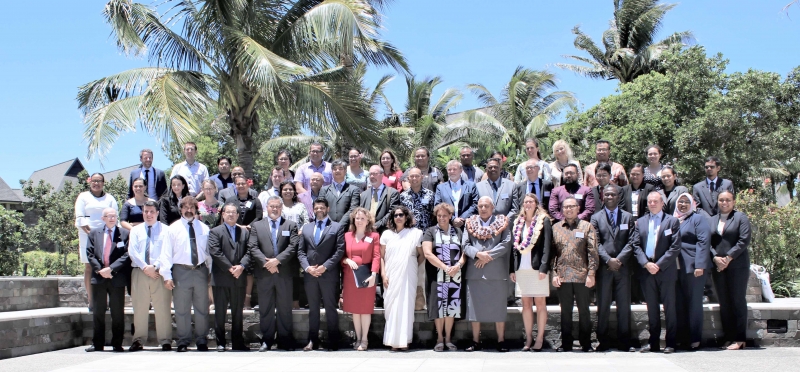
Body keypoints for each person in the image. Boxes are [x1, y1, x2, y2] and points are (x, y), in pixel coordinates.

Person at [159, 196, 212, 352]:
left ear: (196, 209)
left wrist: (210, 271)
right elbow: (166, 253)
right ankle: (183, 341)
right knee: (182, 309)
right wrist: (167, 276)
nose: (189, 210)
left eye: (192, 207)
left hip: (201, 270)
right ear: (180, 209)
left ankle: (202, 340)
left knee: (202, 308)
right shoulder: (172, 229)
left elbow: (208, 253)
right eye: (185, 207)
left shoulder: (204, 228)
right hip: (181, 271)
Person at [631, 192, 681, 354]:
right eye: (650, 202)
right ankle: (654, 343)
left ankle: (671, 342)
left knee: (669, 308)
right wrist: (646, 264)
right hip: (647, 271)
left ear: (662, 203)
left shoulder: (672, 221)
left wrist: (658, 265)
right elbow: (635, 245)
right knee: (652, 308)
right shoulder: (640, 222)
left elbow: (675, 247)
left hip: (665, 270)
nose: (652, 204)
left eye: (655, 201)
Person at [248, 196, 300, 352]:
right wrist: (267, 263)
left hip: (284, 273)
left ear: (281, 208)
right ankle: (267, 340)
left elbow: (293, 246)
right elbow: (253, 247)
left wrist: (277, 261)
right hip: (264, 273)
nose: (274, 209)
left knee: (285, 307)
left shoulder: (290, 225)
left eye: (277, 206)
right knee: (266, 308)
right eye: (271, 206)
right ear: (267, 207)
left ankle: (285, 340)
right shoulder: (257, 226)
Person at [463, 197, 512, 352]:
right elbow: (464, 244)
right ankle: (476, 341)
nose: (483, 208)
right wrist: (478, 254)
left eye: (486, 206)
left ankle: (501, 341)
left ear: (493, 207)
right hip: (475, 272)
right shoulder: (470, 222)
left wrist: (486, 256)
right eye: (480, 206)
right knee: (474, 308)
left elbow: (505, 243)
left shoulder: (502, 222)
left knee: (498, 307)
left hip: (496, 272)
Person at [591, 185, 635, 352]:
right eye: (607, 194)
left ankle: (624, 342)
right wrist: (609, 260)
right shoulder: (596, 218)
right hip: (604, 268)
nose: (609, 197)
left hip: (623, 269)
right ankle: (602, 341)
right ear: (603, 197)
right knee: (603, 305)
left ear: (618, 197)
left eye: (613, 194)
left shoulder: (628, 217)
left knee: (624, 306)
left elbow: (632, 242)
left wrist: (619, 260)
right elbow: (596, 242)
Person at [297, 199, 345, 351]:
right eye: (316, 207)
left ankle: (333, 340)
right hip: (310, 275)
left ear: (327, 208)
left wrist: (325, 267)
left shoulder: (336, 227)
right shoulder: (306, 228)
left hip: (328, 275)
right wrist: (307, 267)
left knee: (331, 308)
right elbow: (300, 251)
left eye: (322, 207)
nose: (319, 210)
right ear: (313, 209)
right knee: (313, 308)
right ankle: (312, 340)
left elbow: (339, 251)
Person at [551, 197, 598, 352]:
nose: (569, 209)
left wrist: (591, 273)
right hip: (563, 276)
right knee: (565, 311)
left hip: (582, 276)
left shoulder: (587, 226)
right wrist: (554, 274)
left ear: (578, 208)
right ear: (562, 210)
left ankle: (586, 343)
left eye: (572, 206)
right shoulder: (556, 228)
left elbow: (592, 251)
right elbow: (553, 254)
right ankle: (566, 344)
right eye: (566, 207)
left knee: (584, 310)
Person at [128, 201, 172, 352]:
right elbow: (132, 251)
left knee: (163, 307)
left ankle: (165, 340)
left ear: (157, 212)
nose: (148, 214)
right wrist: (145, 267)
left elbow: (167, 251)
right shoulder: (136, 231)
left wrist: (156, 266)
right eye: (146, 211)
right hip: (140, 272)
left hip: (159, 272)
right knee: (139, 307)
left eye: (152, 211)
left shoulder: (166, 230)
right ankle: (138, 340)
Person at [509, 193, 551, 352]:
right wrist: (512, 269)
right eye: (525, 202)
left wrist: (544, 268)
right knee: (526, 304)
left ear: (536, 204)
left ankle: (540, 337)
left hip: (537, 269)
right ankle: (528, 337)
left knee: (540, 304)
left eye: (531, 202)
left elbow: (547, 246)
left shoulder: (543, 221)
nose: (528, 204)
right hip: (522, 269)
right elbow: (514, 248)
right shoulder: (517, 222)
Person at [710, 191, 751, 350]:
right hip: (718, 266)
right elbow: (708, 242)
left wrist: (727, 259)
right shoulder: (713, 220)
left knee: (737, 300)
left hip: (737, 265)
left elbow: (743, 240)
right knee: (724, 302)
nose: (724, 203)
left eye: (728, 200)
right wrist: (715, 258)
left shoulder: (741, 218)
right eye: (721, 200)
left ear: (733, 202)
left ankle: (740, 338)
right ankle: (729, 337)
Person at [84, 208, 130, 352]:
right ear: (103, 218)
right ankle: (97, 344)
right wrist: (100, 270)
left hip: (116, 278)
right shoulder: (93, 233)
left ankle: (117, 343)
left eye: (114, 216)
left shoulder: (124, 233)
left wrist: (111, 269)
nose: (112, 218)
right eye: (109, 216)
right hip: (99, 278)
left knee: (117, 312)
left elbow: (127, 254)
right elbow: (90, 253)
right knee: (98, 311)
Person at [207, 203, 251, 352]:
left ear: (238, 215)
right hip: (221, 278)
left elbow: (250, 251)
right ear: (223, 214)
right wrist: (230, 268)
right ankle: (221, 342)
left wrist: (241, 266)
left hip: (239, 277)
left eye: (234, 212)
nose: (231, 215)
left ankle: (237, 342)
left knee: (238, 312)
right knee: (220, 312)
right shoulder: (215, 232)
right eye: (228, 212)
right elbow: (215, 251)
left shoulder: (244, 232)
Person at [422, 203, 466, 352]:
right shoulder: (430, 231)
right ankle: (439, 338)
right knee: (438, 306)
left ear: (450, 216)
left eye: (445, 216)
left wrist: (458, 265)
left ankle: (448, 339)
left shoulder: (458, 231)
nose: (442, 218)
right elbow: (428, 253)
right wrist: (445, 267)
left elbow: (464, 252)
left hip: (455, 275)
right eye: (439, 216)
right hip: (437, 275)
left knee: (452, 307)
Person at [380, 206, 424, 351]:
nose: (398, 217)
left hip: (408, 272)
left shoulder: (415, 233)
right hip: (390, 273)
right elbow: (381, 256)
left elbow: (421, 254)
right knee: (392, 306)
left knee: (406, 305)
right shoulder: (386, 234)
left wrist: (411, 265)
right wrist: (384, 274)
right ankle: (392, 341)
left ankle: (404, 341)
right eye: (395, 215)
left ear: (406, 217)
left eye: (401, 215)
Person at [75, 173, 119, 310]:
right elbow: (80, 217)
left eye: (99, 181)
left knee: (106, 267)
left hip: (107, 237)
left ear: (103, 183)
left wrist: (103, 235)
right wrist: (93, 235)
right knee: (89, 267)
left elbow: (114, 218)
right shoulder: (83, 197)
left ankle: (107, 301)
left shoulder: (110, 198)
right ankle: (91, 300)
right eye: (94, 181)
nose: (96, 184)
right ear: (90, 182)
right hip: (86, 235)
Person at [673, 193, 711, 351]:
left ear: (692, 204)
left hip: (694, 268)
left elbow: (704, 242)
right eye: (680, 202)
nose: (683, 205)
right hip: (676, 268)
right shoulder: (674, 219)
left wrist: (700, 265)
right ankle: (682, 338)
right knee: (680, 304)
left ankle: (694, 338)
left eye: (686, 202)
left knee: (694, 303)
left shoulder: (698, 219)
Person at [341, 208, 381, 351]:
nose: (359, 221)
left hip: (367, 276)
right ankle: (357, 338)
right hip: (350, 277)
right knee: (355, 310)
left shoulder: (374, 236)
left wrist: (374, 274)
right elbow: (340, 255)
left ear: (368, 220)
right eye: (357, 218)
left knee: (365, 309)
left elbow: (377, 256)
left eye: (362, 218)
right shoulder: (347, 236)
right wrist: (346, 260)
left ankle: (365, 339)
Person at [434, 160, 478, 229]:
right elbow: (438, 205)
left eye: (454, 169)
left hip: (467, 225)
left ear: (461, 170)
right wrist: (453, 218)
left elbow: (475, 204)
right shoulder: (440, 187)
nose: (452, 171)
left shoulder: (471, 185)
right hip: (447, 225)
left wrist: (462, 218)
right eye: (449, 169)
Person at [318, 159, 361, 229]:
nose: (337, 171)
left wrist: (340, 225)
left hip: (346, 228)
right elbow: (321, 207)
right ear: (332, 172)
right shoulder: (324, 189)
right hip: (327, 227)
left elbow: (353, 208)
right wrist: (331, 224)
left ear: (345, 171)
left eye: (340, 168)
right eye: (335, 169)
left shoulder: (354, 189)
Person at [360, 165, 400, 234]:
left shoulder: (392, 193)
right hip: (366, 232)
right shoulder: (364, 194)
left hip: (385, 232)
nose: (372, 176)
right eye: (370, 174)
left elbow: (392, 212)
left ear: (382, 175)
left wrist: (375, 226)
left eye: (375, 174)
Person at [399, 167, 436, 231]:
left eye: (417, 176)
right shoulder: (402, 196)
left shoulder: (430, 194)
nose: (414, 178)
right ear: (408, 178)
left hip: (426, 233)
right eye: (412, 176)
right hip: (408, 232)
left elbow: (433, 214)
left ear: (422, 177)